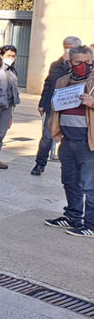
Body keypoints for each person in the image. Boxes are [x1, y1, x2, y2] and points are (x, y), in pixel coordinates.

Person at [44, 45, 94, 237]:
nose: (83, 66)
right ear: (70, 63)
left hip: (88, 142)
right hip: (67, 139)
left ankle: (90, 224)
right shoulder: (63, 81)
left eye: (87, 63)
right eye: (78, 63)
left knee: (89, 185)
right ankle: (72, 216)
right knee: (69, 181)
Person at [33, 36, 81, 175]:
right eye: (67, 46)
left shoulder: (83, 66)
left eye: (72, 47)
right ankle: (39, 164)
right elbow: (48, 84)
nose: (69, 49)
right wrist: (42, 103)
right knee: (47, 137)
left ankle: (71, 168)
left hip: (73, 109)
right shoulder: (56, 65)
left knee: (71, 140)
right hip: (54, 107)